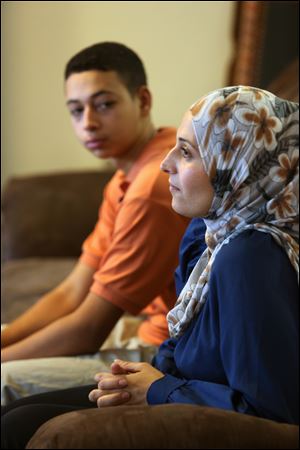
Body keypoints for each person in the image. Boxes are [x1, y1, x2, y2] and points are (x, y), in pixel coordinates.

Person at [1, 85, 298, 449]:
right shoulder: (208, 230)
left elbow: (269, 413)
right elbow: (180, 334)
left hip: (188, 404)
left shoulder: (250, 257)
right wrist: (141, 377)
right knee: (15, 416)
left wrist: (159, 388)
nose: (165, 162)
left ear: (238, 168)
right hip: (172, 384)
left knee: (19, 425)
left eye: (187, 152)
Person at [1, 42, 190, 403]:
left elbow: (88, 328)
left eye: (104, 104)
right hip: (141, 328)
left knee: (3, 378)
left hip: (167, 352)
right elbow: (71, 293)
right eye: (76, 110)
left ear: (143, 101)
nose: (87, 122)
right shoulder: (124, 178)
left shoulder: (152, 187)